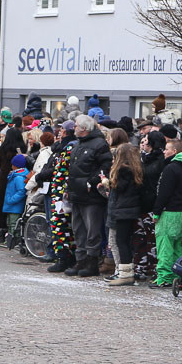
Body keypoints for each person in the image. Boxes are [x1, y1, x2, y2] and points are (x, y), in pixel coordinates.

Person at [64, 115, 112, 278]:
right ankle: (81, 260)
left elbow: (105, 166)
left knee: (92, 230)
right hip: (76, 193)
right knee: (78, 230)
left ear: (84, 129)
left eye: (76, 126)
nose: (74, 128)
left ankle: (91, 262)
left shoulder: (99, 144)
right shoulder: (79, 144)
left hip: (91, 195)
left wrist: (90, 182)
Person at [149, 141, 182, 289]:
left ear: (174, 151)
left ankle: (165, 277)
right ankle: (177, 275)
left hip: (169, 213)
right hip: (180, 212)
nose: (164, 152)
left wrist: (157, 211)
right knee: (176, 245)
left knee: (164, 245)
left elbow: (164, 193)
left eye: (166, 149)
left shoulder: (170, 168)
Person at [42, 122, 78, 273]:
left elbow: (64, 170)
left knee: (61, 226)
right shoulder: (64, 147)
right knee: (61, 226)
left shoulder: (70, 147)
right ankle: (64, 256)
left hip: (63, 193)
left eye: (62, 129)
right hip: (58, 191)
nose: (59, 131)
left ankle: (64, 257)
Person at [105, 143, 143, 285]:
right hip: (131, 209)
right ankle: (127, 273)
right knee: (125, 241)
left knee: (121, 242)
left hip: (123, 210)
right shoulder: (135, 169)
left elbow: (119, 187)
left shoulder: (123, 170)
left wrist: (106, 181)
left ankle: (125, 274)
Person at [134, 131, 167, 284]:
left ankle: (155, 268)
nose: (144, 143)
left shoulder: (160, 160)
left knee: (152, 239)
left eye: (147, 140)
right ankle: (141, 267)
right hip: (141, 203)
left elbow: (150, 177)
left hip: (152, 205)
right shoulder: (145, 159)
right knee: (140, 237)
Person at [0, 115, 25, 240]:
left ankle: (2, 231)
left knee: (2, 202)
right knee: (16, 202)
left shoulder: (3, 148)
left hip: (4, 178)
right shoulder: (21, 149)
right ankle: (15, 231)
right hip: (18, 177)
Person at [2, 154, 29, 249]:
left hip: (14, 205)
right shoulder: (16, 175)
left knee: (13, 224)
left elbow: (22, 191)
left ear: (15, 165)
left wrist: (11, 200)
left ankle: (14, 242)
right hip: (12, 205)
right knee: (10, 223)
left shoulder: (18, 177)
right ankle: (9, 241)